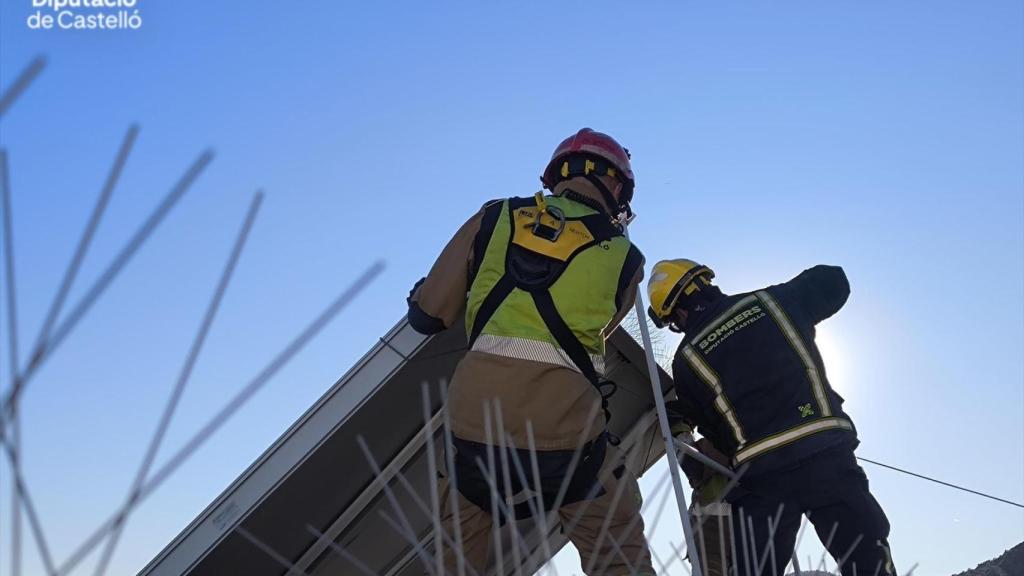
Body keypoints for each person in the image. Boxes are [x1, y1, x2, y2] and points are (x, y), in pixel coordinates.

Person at [407, 128, 654, 576]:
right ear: (615, 185)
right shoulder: (626, 257)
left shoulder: (495, 216)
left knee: (456, 548)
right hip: (568, 436)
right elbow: (603, 327)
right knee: (618, 551)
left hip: (475, 425)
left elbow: (429, 316)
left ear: (557, 176)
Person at [647, 259, 896, 576]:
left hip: (762, 477)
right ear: (706, 283)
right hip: (824, 451)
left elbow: (709, 426)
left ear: (678, 313)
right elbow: (834, 281)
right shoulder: (772, 300)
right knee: (866, 556)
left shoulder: (687, 359)